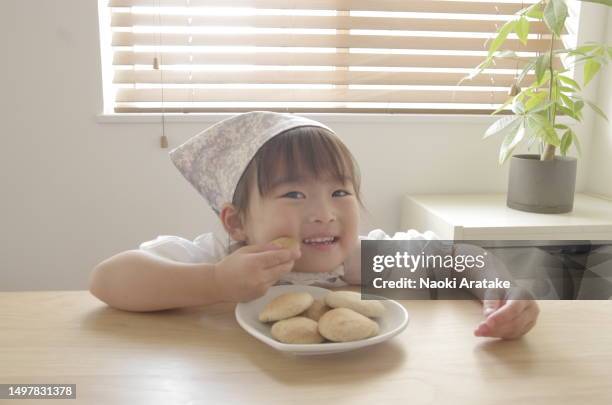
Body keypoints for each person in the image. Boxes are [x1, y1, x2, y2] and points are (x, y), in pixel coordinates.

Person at [89, 111, 539, 339]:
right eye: (294, 194)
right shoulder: (222, 260)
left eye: (340, 193)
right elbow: (108, 280)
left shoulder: (358, 262)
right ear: (237, 222)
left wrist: (500, 288)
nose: (324, 212)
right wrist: (214, 281)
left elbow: (459, 260)